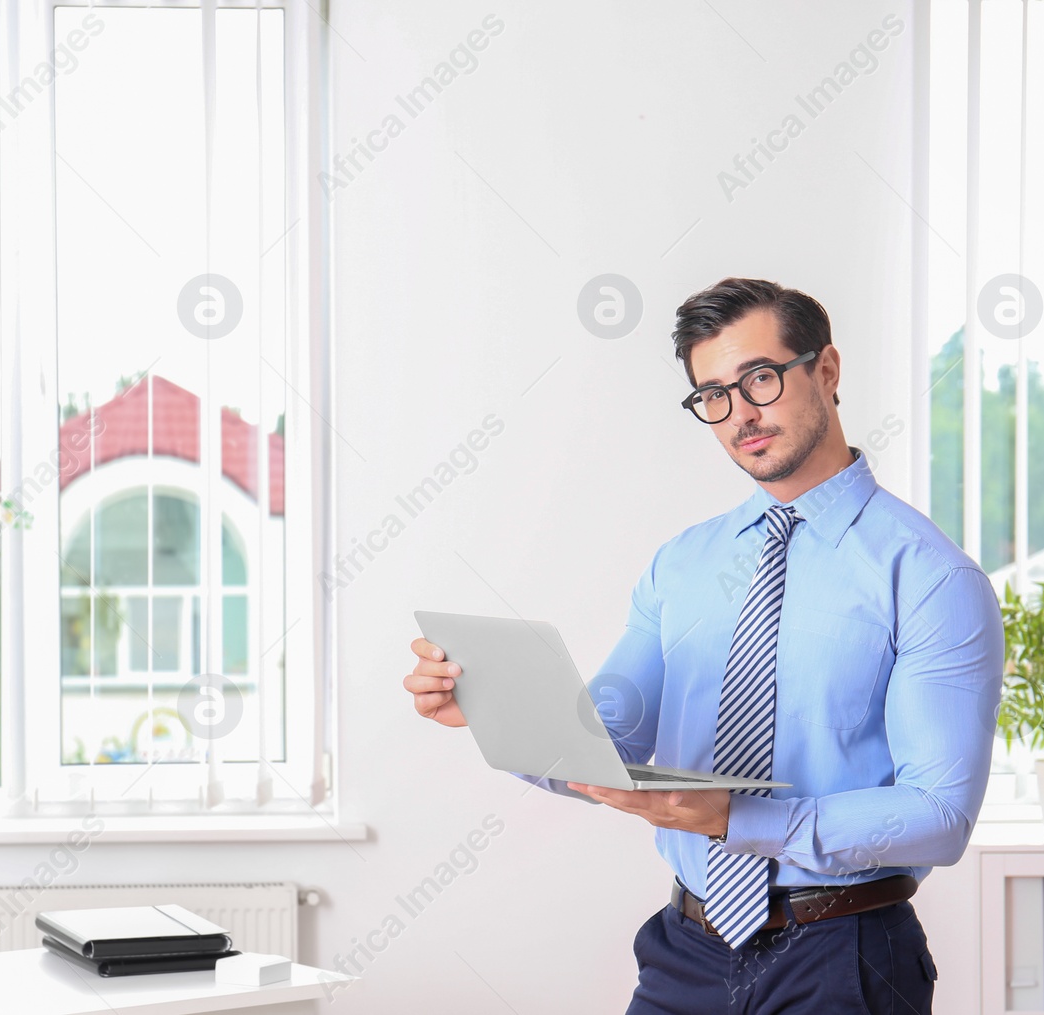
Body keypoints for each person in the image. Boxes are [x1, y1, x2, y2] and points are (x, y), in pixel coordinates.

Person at [403, 278, 1005, 1014]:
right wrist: (493, 705)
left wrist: (737, 817)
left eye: (759, 377)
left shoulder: (931, 578)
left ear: (826, 370)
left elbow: (939, 814)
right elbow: (604, 744)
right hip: (687, 950)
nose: (740, 414)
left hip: (842, 956)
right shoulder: (681, 566)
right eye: (712, 394)